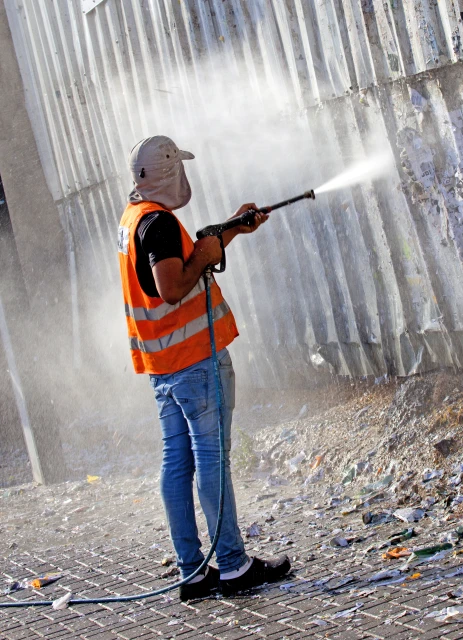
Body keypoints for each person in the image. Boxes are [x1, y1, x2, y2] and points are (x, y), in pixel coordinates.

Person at [117, 135, 290, 600]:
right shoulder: (158, 224)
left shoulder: (135, 218)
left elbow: (184, 263)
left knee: (178, 463)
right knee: (210, 460)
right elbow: (172, 287)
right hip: (194, 363)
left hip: (163, 367)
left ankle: (192, 572)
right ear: (170, 172)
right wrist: (207, 254)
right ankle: (233, 566)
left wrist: (229, 230)